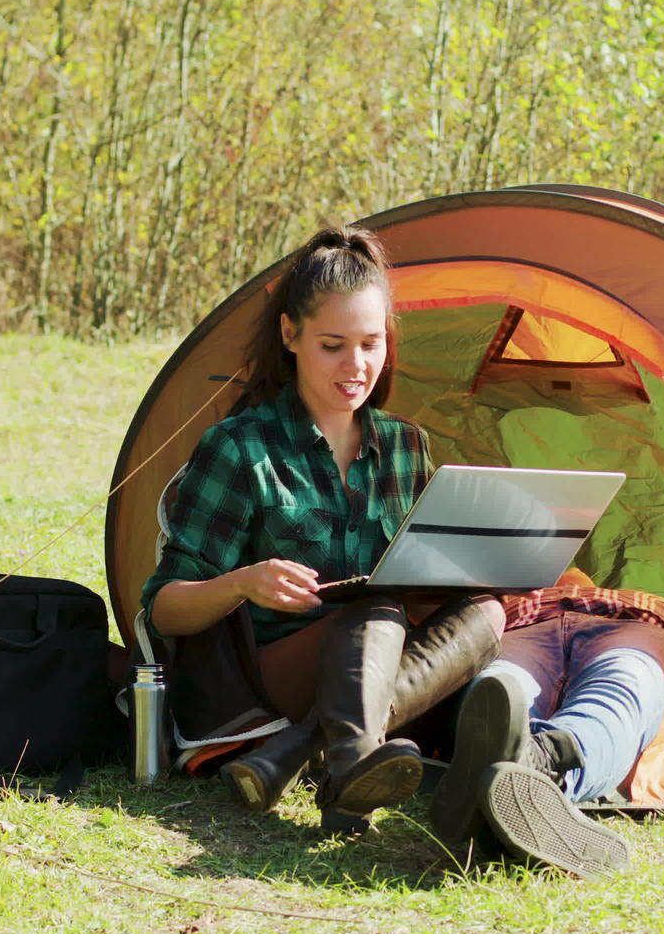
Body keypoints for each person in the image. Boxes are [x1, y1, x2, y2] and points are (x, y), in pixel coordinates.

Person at [141, 225, 504, 830]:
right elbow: (164, 610)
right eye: (333, 345)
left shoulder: (405, 447)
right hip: (273, 675)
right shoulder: (241, 447)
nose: (355, 366)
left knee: (488, 613)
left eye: (370, 343)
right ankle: (323, 748)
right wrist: (243, 582)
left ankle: (317, 756)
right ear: (290, 334)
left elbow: (427, 575)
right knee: (373, 609)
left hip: (381, 672)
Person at [428, 576, 664, 877]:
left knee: (620, 688)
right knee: (501, 687)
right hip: (524, 626)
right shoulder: (511, 586)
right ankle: (525, 776)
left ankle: (541, 768)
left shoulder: (639, 598)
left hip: (630, 625)